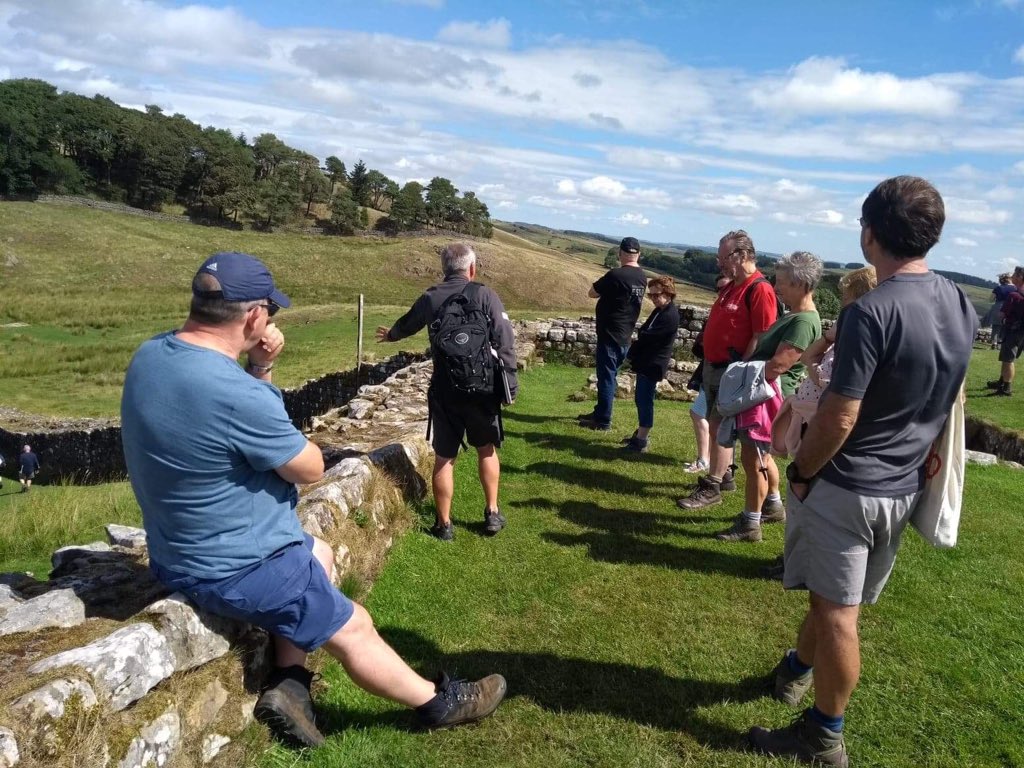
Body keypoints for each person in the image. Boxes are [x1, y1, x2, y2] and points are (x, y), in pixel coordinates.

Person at [122, 251, 507, 749]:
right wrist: (262, 372)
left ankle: (291, 685)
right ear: (255, 316)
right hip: (237, 563)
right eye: (270, 312)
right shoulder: (237, 392)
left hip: (174, 550)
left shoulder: (151, 355)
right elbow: (308, 468)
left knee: (319, 554)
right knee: (355, 627)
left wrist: (252, 365)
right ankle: (438, 703)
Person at [749, 176, 976, 766]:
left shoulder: (869, 313)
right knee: (831, 601)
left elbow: (839, 415)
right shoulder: (958, 302)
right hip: (903, 486)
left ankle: (824, 735)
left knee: (837, 613)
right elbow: (950, 394)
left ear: (871, 233)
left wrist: (800, 472)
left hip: (847, 486)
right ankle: (795, 670)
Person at [377, 242, 518, 541]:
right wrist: (510, 385)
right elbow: (505, 340)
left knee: (444, 457)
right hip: (483, 389)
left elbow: (408, 324)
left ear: (443, 269)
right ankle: (492, 513)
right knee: (486, 449)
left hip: (445, 390)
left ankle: (444, 525)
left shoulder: (430, 298)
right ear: (471, 268)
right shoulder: (485, 294)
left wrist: (390, 335)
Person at [715, 252, 822, 542]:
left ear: (801, 284)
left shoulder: (803, 322)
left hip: (765, 397)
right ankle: (773, 506)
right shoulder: (797, 316)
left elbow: (778, 366)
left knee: (754, 461)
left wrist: (738, 373)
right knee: (763, 457)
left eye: (782, 282)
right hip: (764, 394)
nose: (777, 288)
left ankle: (750, 524)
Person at [677, 230, 778, 510]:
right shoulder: (734, 285)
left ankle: (712, 487)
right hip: (715, 367)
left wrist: (740, 371)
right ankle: (726, 477)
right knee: (715, 423)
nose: (719, 263)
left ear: (742, 255)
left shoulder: (759, 289)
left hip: (730, 372)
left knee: (721, 427)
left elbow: (762, 335)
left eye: (724, 257)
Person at [773, 267, 878, 460]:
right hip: (810, 420)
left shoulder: (858, 343)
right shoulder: (842, 339)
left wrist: (816, 372)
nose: (842, 305)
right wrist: (828, 338)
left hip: (821, 426)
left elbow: (828, 384)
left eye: (846, 299)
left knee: (806, 477)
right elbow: (807, 357)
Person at [578, 237, 646, 431]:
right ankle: (600, 411)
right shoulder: (642, 277)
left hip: (610, 334)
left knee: (606, 377)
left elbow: (592, 292)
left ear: (620, 253)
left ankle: (603, 420)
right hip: (625, 334)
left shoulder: (616, 275)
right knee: (610, 375)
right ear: (638, 254)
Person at [620, 276, 681, 452]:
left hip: (654, 363)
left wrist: (642, 338)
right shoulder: (659, 311)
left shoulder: (670, 315)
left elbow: (648, 336)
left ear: (668, 294)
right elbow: (644, 331)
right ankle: (640, 432)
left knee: (644, 399)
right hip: (647, 360)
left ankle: (642, 440)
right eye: (651, 295)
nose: (653, 299)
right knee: (641, 398)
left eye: (656, 295)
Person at [683, 274, 735, 475]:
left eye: (726, 288)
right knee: (714, 420)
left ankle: (707, 462)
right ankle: (723, 469)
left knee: (703, 416)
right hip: (710, 370)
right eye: (718, 289)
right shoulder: (719, 310)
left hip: (722, 372)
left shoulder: (731, 314)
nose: (721, 293)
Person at [985, 265, 1024, 397]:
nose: (1012, 277)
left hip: (1013, 330)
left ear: (1020, 277)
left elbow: (1002, 315)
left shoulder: (1014, 295)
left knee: (1008, 359)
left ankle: (1006, 388)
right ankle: (1001, 381)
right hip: (1019, 330)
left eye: (1014, 275)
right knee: (1006, 357)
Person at [987, 273, 1015, 349]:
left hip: (997, 307)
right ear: (1010, 279)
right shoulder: (1015, 288)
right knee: (1005, 326)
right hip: (1009, 308)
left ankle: (994, 343)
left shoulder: (998, 288)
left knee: (995, 326)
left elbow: (990, 300)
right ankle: (1000, 342)